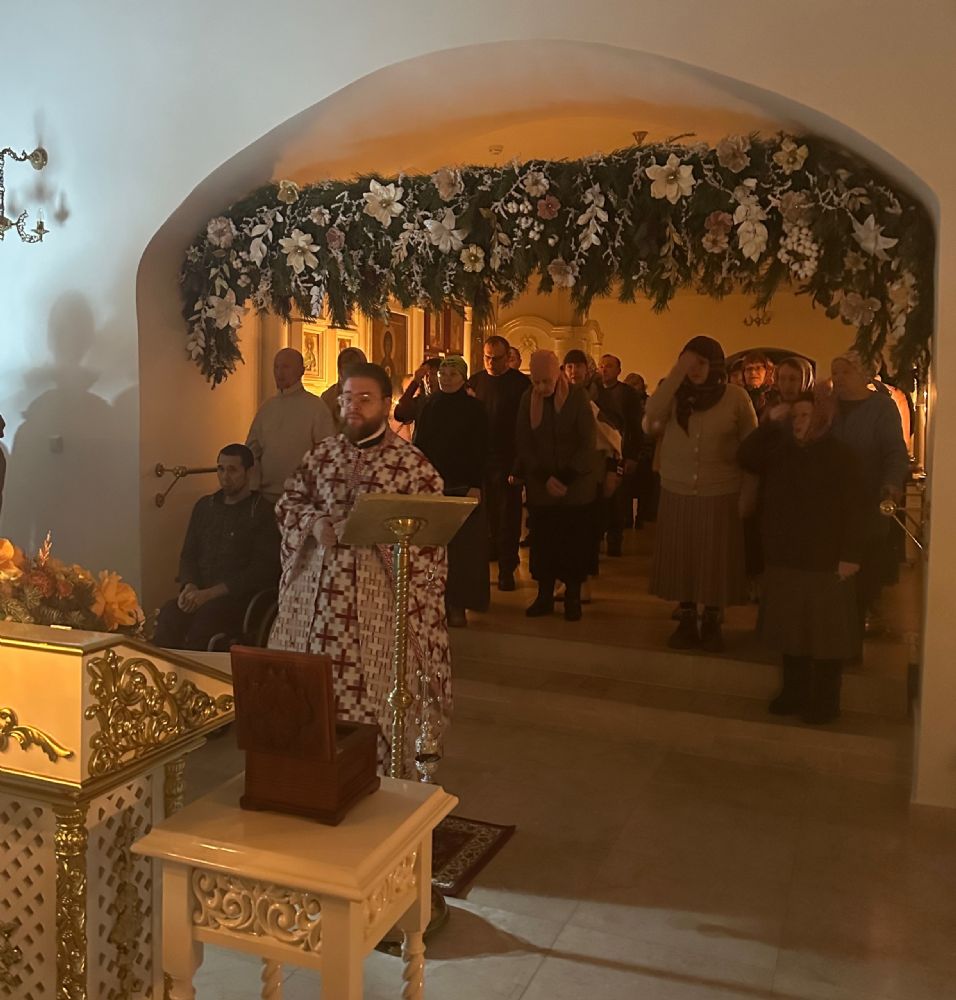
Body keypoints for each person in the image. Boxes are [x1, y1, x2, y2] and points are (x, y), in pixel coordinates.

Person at [269, 363, 451, 767]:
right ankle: (312, 775)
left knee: (376, 704)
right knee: (314, 701)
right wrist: (315, 523)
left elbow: (432, 538)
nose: (353, 406)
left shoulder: (412, 465)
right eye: (347, 398)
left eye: (364, 399)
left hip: (379, 613)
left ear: (386, 404)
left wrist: (374, 531)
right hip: (317, 615)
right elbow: (289, 503)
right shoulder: (321, 456)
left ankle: (380, 773)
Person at [738, 392, 866, 723]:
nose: (798, 422)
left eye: (805, 415)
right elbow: (745, 456)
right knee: (790, 630)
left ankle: (826, 700)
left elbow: (856, 510)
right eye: (794, 416)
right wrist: (769, 423)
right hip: (785, 556)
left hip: (826, 560)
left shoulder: (842, 456)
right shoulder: (781, 451)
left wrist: (850, 555)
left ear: (822, 417)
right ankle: (793, 692)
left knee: (827, 635)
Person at [644, 336, 758, 651]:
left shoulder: (736, 397)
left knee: (714, 559)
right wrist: (675, 376)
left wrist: (748, 493)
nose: (694, 369)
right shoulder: (673, 395)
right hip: (677, 489)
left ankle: (711, 618)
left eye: (701, 363)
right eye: (688, 362)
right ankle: (685, 616)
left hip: (721, 492)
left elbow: (752, 449)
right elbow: (650, 421)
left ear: (715, 365)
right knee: (683, 556)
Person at [153, 444, 280, 651]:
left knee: (206, 620)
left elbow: (260, 571)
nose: (225, 476)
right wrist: (190, 585)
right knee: (169, 614)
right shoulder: (205, 506)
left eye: (232, 470)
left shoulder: (262, 512)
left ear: (249, 472)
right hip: (199, 591)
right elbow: (189, 555)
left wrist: (210, 594)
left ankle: (196, 671)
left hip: (237, 599)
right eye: (220, 469)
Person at [829, 349, 910, 634]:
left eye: (846, 372)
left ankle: (860, 618)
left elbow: (894, 450)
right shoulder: (828, 405)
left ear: (863, 374)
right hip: (832, 502)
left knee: (865, 563)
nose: (838, 378)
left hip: (867, 499)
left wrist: (891, 483)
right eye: (835, 372)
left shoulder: (882, 407)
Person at [514, 351, 599, 622]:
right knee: (544, 544)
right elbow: (524, 441)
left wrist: (566, 476)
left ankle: (572, 597)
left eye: (546, 381)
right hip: (542, 488)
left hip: (575, 488)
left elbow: (588, 441)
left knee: (573, 544)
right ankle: (544, 596)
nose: (541, 388)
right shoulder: (528, 399)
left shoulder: (576, 397)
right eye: (536, 382)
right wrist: (543, 476)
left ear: (557, 375)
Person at [414, 355, 489, 627]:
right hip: (433, 486)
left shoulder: (475, 409)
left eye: (452, 374)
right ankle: (434, 602)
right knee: (434, 547)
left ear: (463, 377)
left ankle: (458, 604)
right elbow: (420, 444)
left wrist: (476, 484)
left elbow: (481, 449)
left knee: (462, 550)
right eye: (442, 375)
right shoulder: (430, 404)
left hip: (463, 486)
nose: (446, 379)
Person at [467, 335, 531, 591]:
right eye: (487, 357)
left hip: (508, 461)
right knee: (486, 518)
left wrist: (519, 465)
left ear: (508, 357)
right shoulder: (476, 382)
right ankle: (487, 564)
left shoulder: (520, 384)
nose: (491, 363)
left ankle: (507, 568)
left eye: (496, 358)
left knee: (508, 518)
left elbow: (525, 428)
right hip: (482, 461)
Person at [246, 348, 336, 505]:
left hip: (302, 498)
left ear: (301, 371)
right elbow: (252, 451)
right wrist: (253, 487)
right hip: (266, 497)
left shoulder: (316, 407)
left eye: (286, 367)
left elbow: (327, 455)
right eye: (276, 367)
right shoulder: (267, 408)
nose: (279, 372)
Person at [594, 354, 644, 555]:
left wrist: (632, 455)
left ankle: (615, 540)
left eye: (609, 366)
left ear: (618, 370)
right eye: (601, 366)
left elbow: (635, 426)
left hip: (620, 452)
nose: (604, 370)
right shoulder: (594, 392)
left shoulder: (627, 394)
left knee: (617, 498)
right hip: (600, 453)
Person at [320, 346, 368, 431]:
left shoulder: (371, 395)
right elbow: (322, 429)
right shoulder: (328, 397)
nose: (349, 373)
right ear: (339, 370)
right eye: (345, 368)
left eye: (354, 369)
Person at [393, 357, 441, 427]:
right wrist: (416, 381)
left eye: (434, 374)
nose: (429, 379)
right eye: (426, 375)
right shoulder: (421, 402)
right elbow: (399, 414)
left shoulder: (448, 401)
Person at [741, 351, 775, 418]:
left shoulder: (775, 397)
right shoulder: (739, 397)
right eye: (749, 369)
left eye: (758, 368)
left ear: (766, 372)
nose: (753, 372)